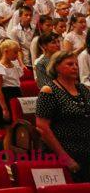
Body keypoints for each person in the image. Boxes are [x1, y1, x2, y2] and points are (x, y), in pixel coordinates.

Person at [36, 50, 90, 182]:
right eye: (70, 64)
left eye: (76, 64)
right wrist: (65, 158)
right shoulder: (49, 91)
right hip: (64, 154)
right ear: (57, 67)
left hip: (86, 151)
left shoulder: (83, 89)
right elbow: (43, 128)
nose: (75, 67)